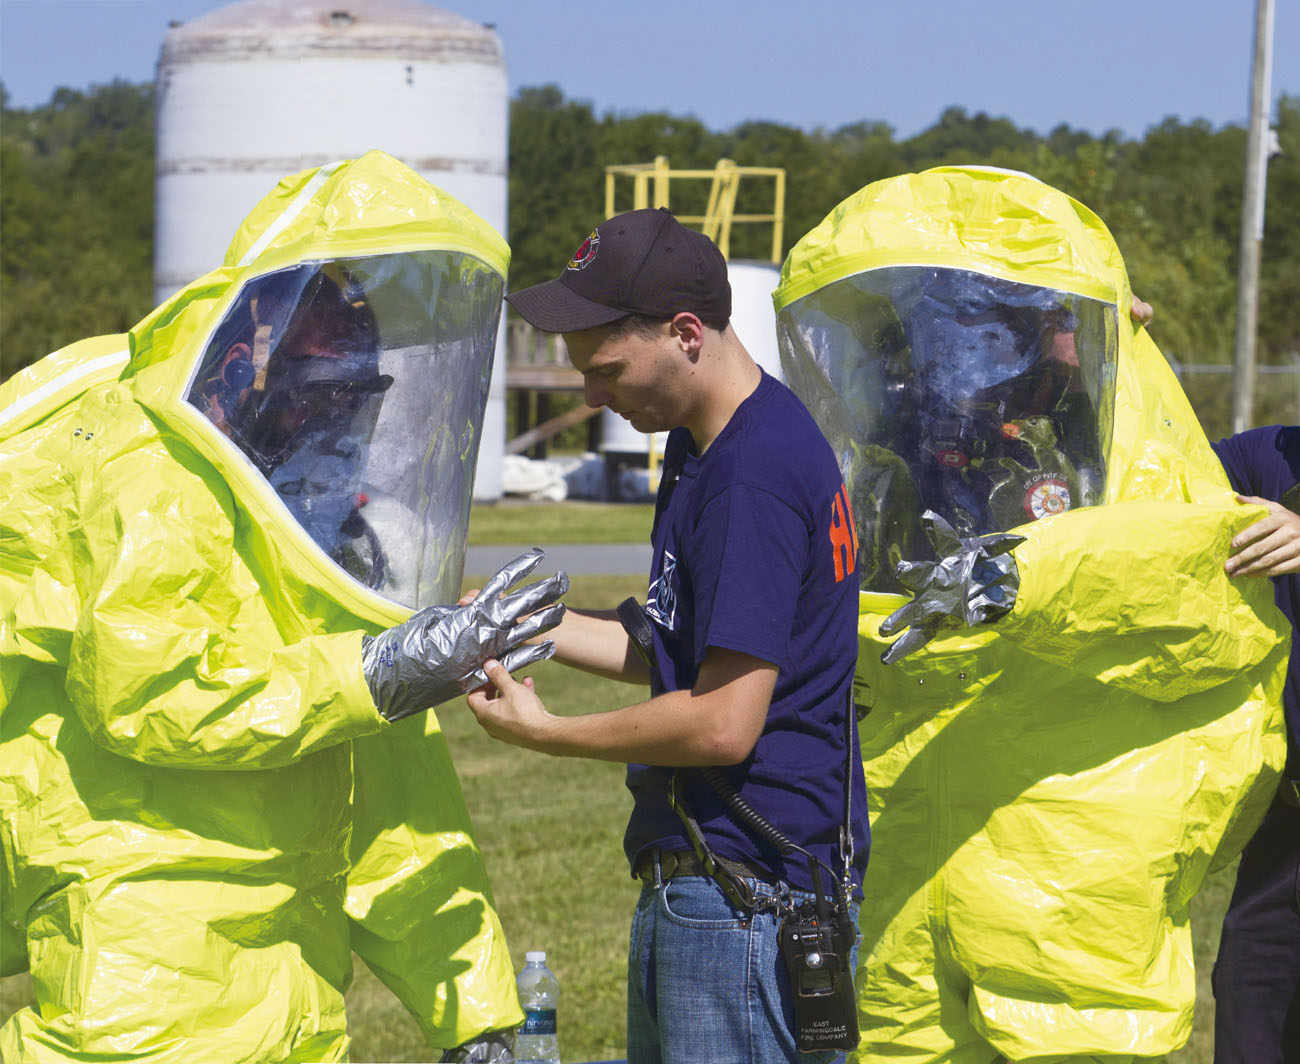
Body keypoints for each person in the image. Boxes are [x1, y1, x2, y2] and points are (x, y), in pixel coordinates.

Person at [0, 150, 566, 1063]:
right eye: (324, 396)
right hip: (141, 966)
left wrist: (476, 1009)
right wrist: (375, 671)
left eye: (359, 398)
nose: (341, 425)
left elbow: (392, 801)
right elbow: (151, 694)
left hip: (296, 982)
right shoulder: (142, 467)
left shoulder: (318, 535)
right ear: (245, 363)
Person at [773, 164, 1289, 1062]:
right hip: (915, 837)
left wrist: (1018, 580)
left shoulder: (1175, 455)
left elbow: (1192, 574)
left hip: (1069, 863)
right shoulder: (914, 459)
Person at [464, 207, 869, 1063]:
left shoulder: (750, 476)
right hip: (711, 894)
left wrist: (549, 733)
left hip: (745, 902)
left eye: (607, 369)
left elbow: (722, 721)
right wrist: (511, 622)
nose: (593, 397)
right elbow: (670, 646)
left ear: (686, 334)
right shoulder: (706, 445)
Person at [1210, 425, 1300, 1064]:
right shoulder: (1262, 458)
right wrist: (1104, 347)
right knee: (1249, 1015)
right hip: (1282, 829)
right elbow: (1130, 482)